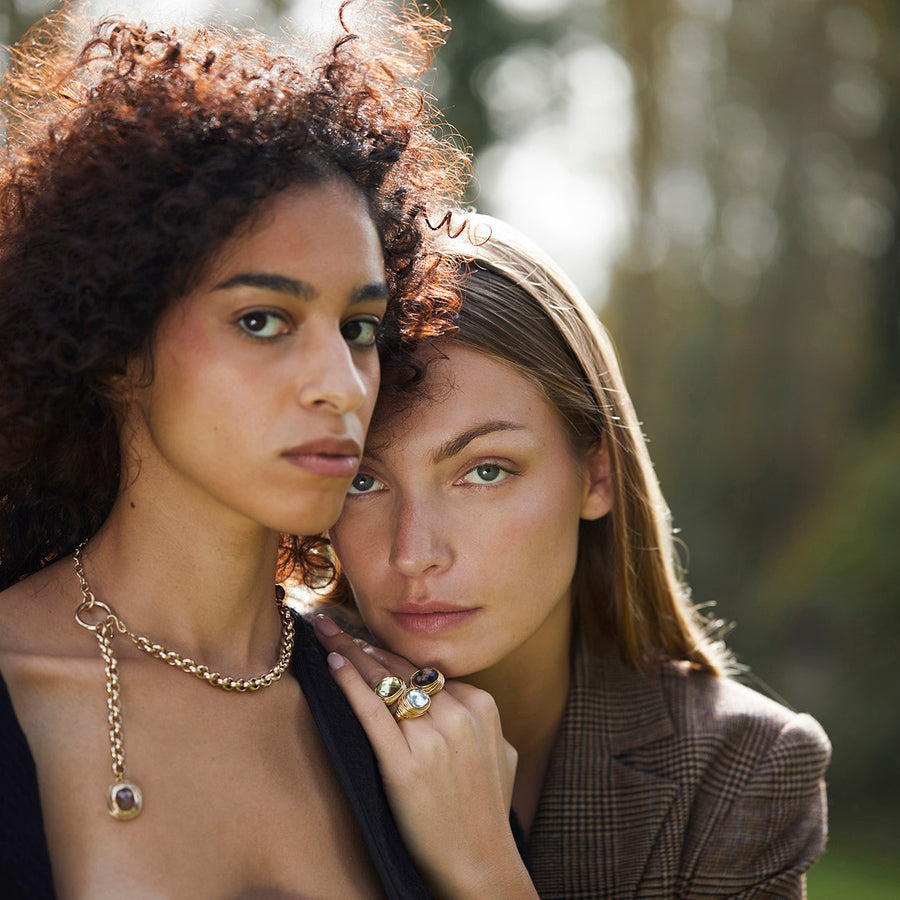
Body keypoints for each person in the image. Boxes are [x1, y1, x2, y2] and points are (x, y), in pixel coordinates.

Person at [0, 4, 470, 897]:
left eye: (360, 327)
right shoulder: (17, 681)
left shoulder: (418, 726)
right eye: (263, 320)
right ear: (111, 345)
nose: (340, 383)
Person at [314, 213, 832, 898]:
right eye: (364, 481)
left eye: (486, 471)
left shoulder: (738, 773)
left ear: (596, 474)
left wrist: (484, 871)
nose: (414, 553)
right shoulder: (259, 710)